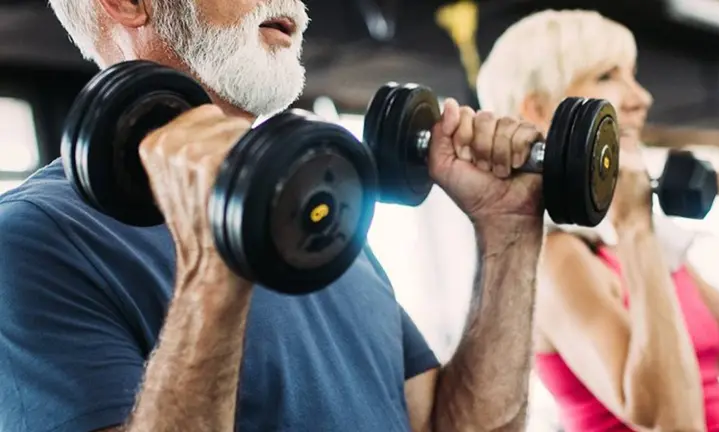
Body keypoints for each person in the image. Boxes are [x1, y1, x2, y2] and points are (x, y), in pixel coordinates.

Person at [0, 0, 548, 431]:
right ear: (128, 3)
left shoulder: (319, 215)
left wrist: (507, 230)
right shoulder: (31, 240)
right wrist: (216, 265)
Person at [477, 9, 719, 432]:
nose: (641, 98)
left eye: (632, 75)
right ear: (541, 110)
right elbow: (674, 422)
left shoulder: (651, 253)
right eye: (607, 77)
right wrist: (635, 225)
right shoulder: (557, 259)